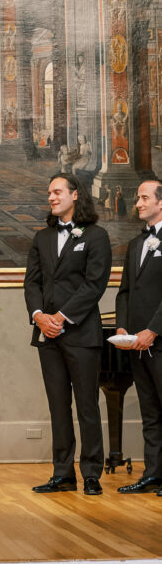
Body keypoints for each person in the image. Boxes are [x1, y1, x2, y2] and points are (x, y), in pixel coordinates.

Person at [24, 173, 111, 496]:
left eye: (57, 192)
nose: (51, 197)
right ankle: (63, 473)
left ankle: (91, 473)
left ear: (75, 195)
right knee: (58, 406)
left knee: (87, 406)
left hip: (82, 334)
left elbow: (94, 284)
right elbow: (32, 282)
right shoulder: (41, 238)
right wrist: (39, 317)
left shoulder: (96, 236)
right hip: (48, 336)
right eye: (49, 192)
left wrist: (61, 317)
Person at [115, 179, 162, 495]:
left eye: (144, 197)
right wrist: (122, 328)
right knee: (150, 412)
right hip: (136, 343)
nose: (138, 202)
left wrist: (154, 330)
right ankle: (153, 474)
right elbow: (125, 292)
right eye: (138, 197)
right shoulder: (135, 245)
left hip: (159, 340)